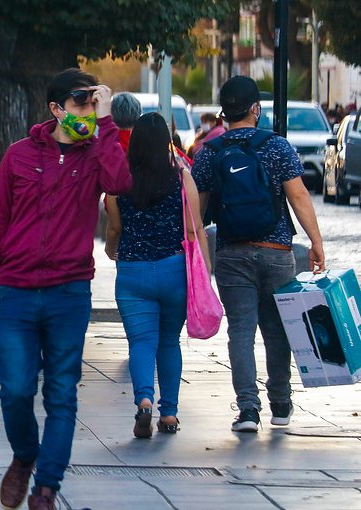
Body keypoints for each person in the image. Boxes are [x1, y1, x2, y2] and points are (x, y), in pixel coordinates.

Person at [0, 68, 131, 510]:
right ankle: (24, 457)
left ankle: (46, 487)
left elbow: (120, 183)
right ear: (56, 108)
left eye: (94, 104)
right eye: (81, 104)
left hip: (69, 293)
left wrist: (107, 122)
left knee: (61, 391)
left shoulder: (97, 152)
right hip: (17, 291)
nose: (89, 113)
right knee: (15, 388)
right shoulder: (19, 155)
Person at [192, 76, 325, 432]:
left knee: (241, 331)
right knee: (277, 329)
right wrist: (316, 242)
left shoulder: (210, 152)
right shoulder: (277, 146)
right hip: (277, 251)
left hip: (232, 253)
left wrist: (198, 259)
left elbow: (197, 213)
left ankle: (248, 410)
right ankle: (280, 404)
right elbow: (298, 197)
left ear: (224, 112)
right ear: (255, 109)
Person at [104, 112, 210, 438]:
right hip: (173, 270)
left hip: (133, 272)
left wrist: (111, 249)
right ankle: (169, 414)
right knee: (168, 342)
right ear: (166, 141)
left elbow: (115, 230)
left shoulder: (119, 183)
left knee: (140, 342)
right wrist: (204, 273)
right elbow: (194, 229)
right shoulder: (181, 178)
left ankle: (144, 401)